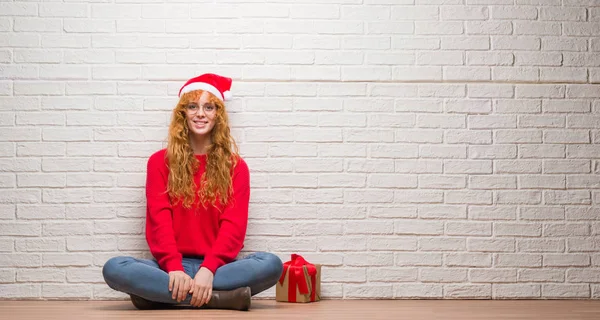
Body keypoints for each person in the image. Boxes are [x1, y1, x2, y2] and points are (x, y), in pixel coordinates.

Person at [102, 73, 283, 311]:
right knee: (115, 268)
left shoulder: (236, 167)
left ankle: (158, 296)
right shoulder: (159, 163)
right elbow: (160, 221)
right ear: (182, 114)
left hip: (219, 269)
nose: (200, 113)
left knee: (271, 264)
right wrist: (174, 267)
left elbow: (234, 226)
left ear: (218, 115)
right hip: (170, 268)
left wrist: (208, 270)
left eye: (209, 107)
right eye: (192, 106)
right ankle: (219, 299)